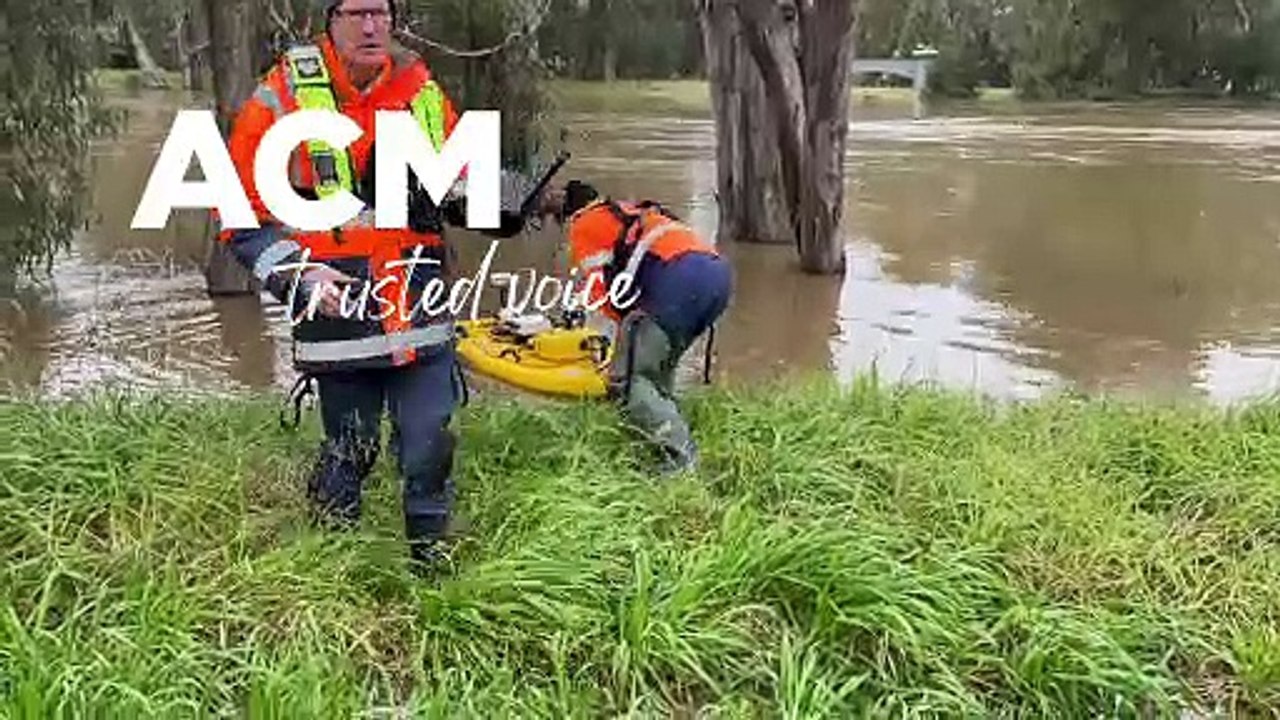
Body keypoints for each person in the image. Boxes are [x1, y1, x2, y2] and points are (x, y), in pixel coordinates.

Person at [217, 0, 503, 570]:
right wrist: (296, 273)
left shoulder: (422, 92)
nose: (371, 26)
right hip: (338, 314)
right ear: (331, 21)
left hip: (419, 308)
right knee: (351, 449)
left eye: (380, 12)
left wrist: (501, 203)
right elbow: (239, 212)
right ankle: (332, 568)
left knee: (430, 441)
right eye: (355, 13)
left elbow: (460, 182)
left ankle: (432, 569)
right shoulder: (283, 95)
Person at [538, 180, 733, 474]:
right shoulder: (627, 213)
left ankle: (682, 463)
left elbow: (600, 294)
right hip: (716, 276)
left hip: (678, 282)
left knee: (631, 381)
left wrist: (618, 342)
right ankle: (655, 443)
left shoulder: (585, 224)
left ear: (566, 213)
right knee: (658, 370)